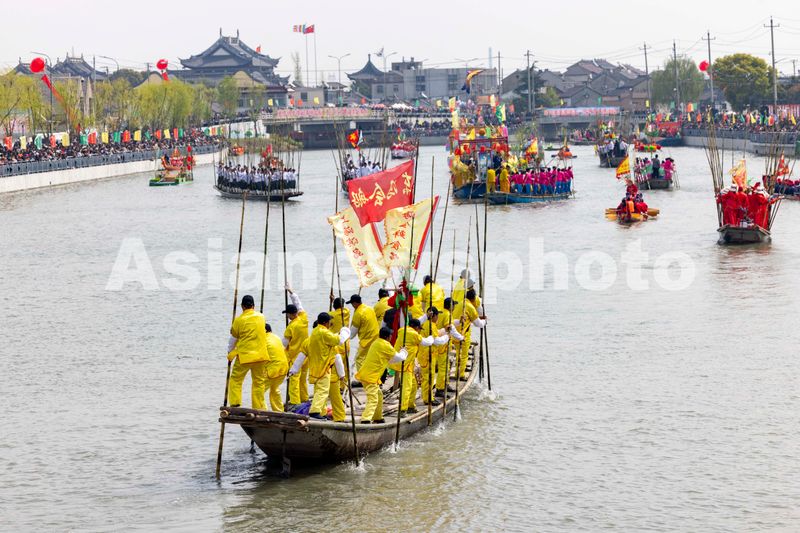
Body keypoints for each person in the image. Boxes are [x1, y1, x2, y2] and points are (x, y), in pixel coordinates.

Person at [289, 312, 350, 421]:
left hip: (314, 371)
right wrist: (345, 331)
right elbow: (339, 346)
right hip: (326, 370)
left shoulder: (312, 336)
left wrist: (294, 370)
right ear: (326, 323)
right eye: (329, 322)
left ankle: (322, 413)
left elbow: (301, 355)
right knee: (325, 393)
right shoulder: (325, 334)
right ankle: (317, 412)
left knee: (319, 392)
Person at [355, 327, 407, 424]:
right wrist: (404, 351)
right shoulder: (385, 345)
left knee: (379, 395)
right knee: (373, 399)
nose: (391, 337)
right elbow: (399, 358)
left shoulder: (376, 342)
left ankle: (378, 417)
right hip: (370, 377)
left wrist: (401, 353)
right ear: (387, 337)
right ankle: (365, 419)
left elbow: (391, 360)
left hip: (368, 375)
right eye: (391, 335)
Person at [226, 295, 269, 409]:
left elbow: (233, 339)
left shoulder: (239, 320)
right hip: (261, 356)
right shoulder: (261, 317)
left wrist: (229, 353)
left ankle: (235, 403)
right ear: (253, 306)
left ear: (242, 306)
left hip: (245, 356)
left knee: (236, 379)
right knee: (259, 382)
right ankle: (258, 407)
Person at [391, 318, 435, 416]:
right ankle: (403, 410)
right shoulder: (413, 334)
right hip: (405, 365)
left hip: (408, 364)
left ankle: (410, 406)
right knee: (407, 387)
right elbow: (426, 342)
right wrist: (432, 337)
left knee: (414, 385)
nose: (419, 331)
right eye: (419, 329)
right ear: (416, 327)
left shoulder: (403, 330)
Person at [282, 286, 309, 406]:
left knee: (294, 380)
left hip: (295, 358)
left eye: (287, 314)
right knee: (303, 379)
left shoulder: (291, 327)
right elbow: (299, 304)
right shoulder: (304, 319)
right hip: (306, 356)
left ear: (290, 314)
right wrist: (291, 291)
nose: (287, 316)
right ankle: (304, 399)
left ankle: (295, 402)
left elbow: (284, 344)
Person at [452, 288, 486, 381]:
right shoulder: (470, 307)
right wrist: (485, 321)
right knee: (464, 355)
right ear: (473, 298)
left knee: (458, 354)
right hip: (463, 334)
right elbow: (478, 324)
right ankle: (461, 374)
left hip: (453, 333)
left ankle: (458, 372)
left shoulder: (459, 303)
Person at [348, 294, 379, 371]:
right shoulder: (369, 308)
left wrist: (343, 336)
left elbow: (352, 335)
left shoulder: (358, 313)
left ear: (355, 303)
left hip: (367, 340)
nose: (352, 305)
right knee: (370, 358)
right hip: (376, 336)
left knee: (359, 359)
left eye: (352, 304)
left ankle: (362, 377)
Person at [264, 323, 289, 411]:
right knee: (275, 389)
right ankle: (279, 410)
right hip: (284, 368)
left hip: (273, 369)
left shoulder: (263, 339)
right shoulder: (277, 338)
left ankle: (261, 410)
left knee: (259, 389)